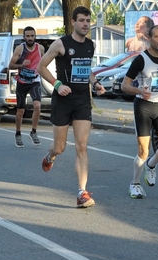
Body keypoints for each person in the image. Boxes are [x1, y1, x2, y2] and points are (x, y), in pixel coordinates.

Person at [37, 6, 105, 208]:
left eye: (88, 20)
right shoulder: (61, 44)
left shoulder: (90, 45)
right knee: (60, 147)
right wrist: (57, 84)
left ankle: (81, 192)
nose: (85, 24)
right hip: (63, 101)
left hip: (82, 100)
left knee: (82, 147)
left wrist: (95, 83)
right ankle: (50, 156)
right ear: (73, 22)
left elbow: (87, 70)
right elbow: (41, 66)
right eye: (82, 20)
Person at [121, 25, 158, 199]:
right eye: (157, 37)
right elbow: (125, 85)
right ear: (149, 38)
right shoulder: (140, 60)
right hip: (143, 107)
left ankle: (151, 165)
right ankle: (135, 183)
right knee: (143, 151)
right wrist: (139, 91)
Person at [8, 26, 45, 148]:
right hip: (22, 82)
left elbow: (43, 63)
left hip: (35, 81)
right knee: (20, 111)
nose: (30, 38)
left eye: (32, 36)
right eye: (27, 36)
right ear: (24, 37)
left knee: (37, 105)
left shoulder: (40, 48)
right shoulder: (20, 49)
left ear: (35, 36)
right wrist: (21, 65)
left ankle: (33, 131)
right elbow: (11, 66)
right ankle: (18, 134)